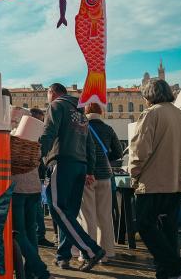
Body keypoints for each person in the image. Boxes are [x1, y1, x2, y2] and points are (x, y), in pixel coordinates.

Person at [129, 78, 181, 279]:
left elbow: (140, 151)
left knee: (144, 224)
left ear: (149, 95)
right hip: (176, 182)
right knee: (168, 229)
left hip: (153, 183)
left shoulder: (151, 114)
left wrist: (134, 173)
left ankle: (178, 267)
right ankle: (167, 273)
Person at [39, 83, 105, 272]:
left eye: (47, 94)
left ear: (52, 92)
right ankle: (63, 256)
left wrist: (38, 156)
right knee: (69, 214)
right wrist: (89, 169)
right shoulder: (80, 111)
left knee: (58, 208)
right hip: (80, 165)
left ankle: (92, 249)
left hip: (62, 161)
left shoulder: (56, 106)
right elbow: (90, 144)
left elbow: (48, 132)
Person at [11, 106, 55, 279]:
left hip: (17, 189)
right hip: (34, 188)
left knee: (18, 232)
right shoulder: (34, 139)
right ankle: (30, 273)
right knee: (31, 232)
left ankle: (41, 270)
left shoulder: (11, 139)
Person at [79, 103, 123, 263]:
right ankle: (107, 252)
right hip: (105, 175)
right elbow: (118, 152)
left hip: (86, 176)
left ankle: (89, 252)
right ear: (100, 112)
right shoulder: (108, 129)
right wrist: (105, 160)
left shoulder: (81, 127)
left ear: (86, 112)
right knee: (105, 215)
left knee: (88, 215)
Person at [29, 108, 56, 248]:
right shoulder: (31, 132)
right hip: (32, 174)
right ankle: (38, 235)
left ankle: (39, 234)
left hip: (37, 174)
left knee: (37, 207)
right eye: (40, 120)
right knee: (36, 207)